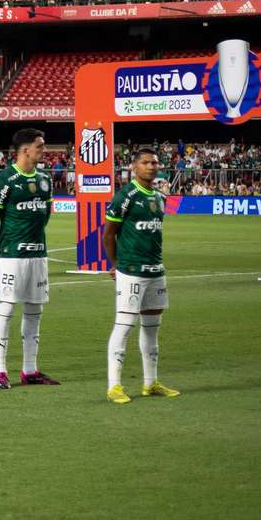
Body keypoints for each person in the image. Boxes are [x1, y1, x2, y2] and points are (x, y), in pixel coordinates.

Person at [102, 148, 181, 404]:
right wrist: (117, 265)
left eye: (155, 162)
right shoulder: (125, 196)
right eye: (145, 162)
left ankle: (151, 383)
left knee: (152, 329)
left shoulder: (160, 197)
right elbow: (108, 234)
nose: (151, 166)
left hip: (156, 270)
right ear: (134, 167)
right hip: (132, 271)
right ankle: (114, 386)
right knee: (124, 326)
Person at [0, 128, 58, 389]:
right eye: (40, 146)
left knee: (34, 312)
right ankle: (0, 371)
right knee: (5, 310)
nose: (44, 150)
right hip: (13, 257)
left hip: (38, 255)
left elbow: (45, 215)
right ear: (25, 150)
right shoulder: (4, 180)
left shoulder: (44, 180)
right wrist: (5, 247)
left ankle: (29, 370)